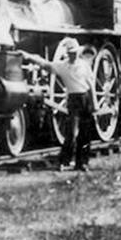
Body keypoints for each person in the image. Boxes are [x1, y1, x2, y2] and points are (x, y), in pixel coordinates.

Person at [22, 37, 95, 171]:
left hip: (85, 98)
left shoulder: (84, 65)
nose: (72, 55)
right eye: (70, 53)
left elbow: (91, 85)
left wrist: (94, 104)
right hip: (73, 99)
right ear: (67, 54)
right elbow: (45, 64)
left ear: (77, 53)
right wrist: (28, 56)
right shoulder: (62, 66)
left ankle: (82, 163)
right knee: (72, 133)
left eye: (74, 53)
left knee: (85, 133)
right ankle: (63, 161)